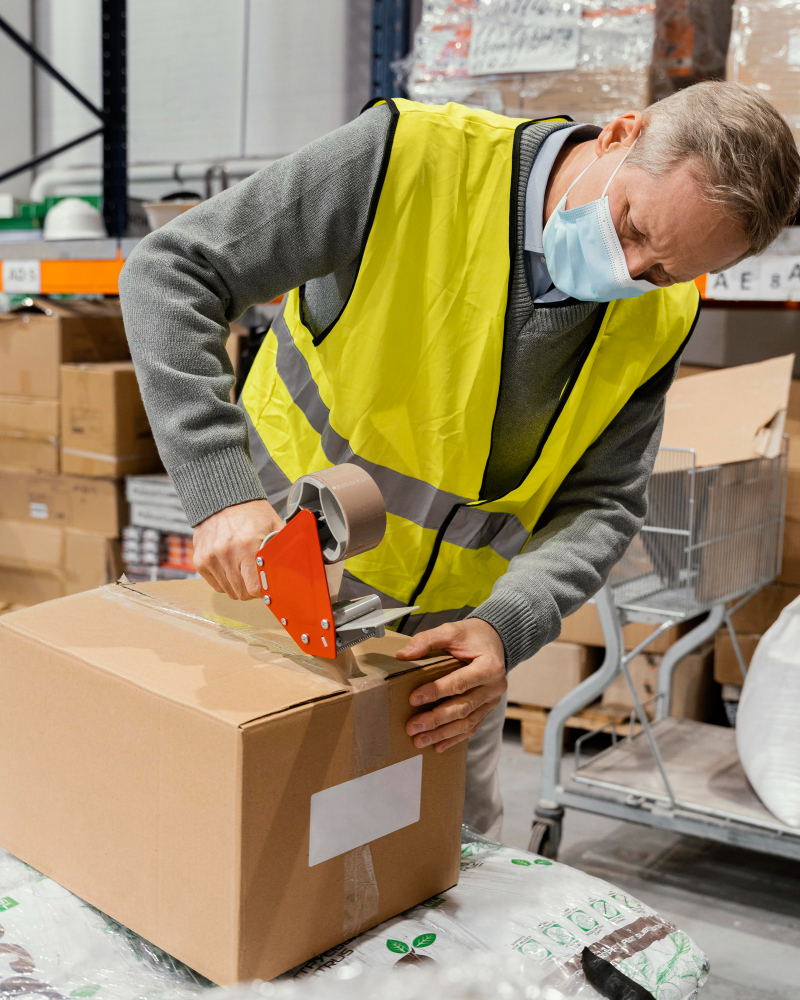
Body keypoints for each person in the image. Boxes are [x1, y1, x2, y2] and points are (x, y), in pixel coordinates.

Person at [120, 81, 799, 839]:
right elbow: (171, 271)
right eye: (633, 225)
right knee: (228, 837)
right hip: (275, 583)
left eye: (666, 270)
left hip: (441, 656)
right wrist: (220, 489)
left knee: (437, 864)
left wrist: (505, 630)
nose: (632, 271)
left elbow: (603, 502)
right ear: (620, 135)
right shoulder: (406, 160)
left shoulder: (659, 315)